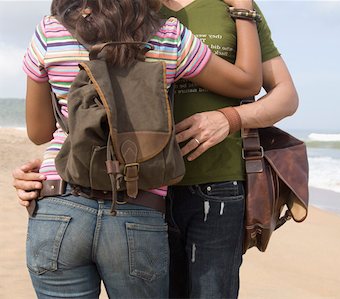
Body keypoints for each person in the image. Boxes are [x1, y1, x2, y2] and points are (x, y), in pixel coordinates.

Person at [13, 0, 299, 298]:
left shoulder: (50, 29)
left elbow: (40, 131)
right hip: (140, 200)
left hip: (66, 201)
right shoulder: (167, 33)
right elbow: (247, 82)